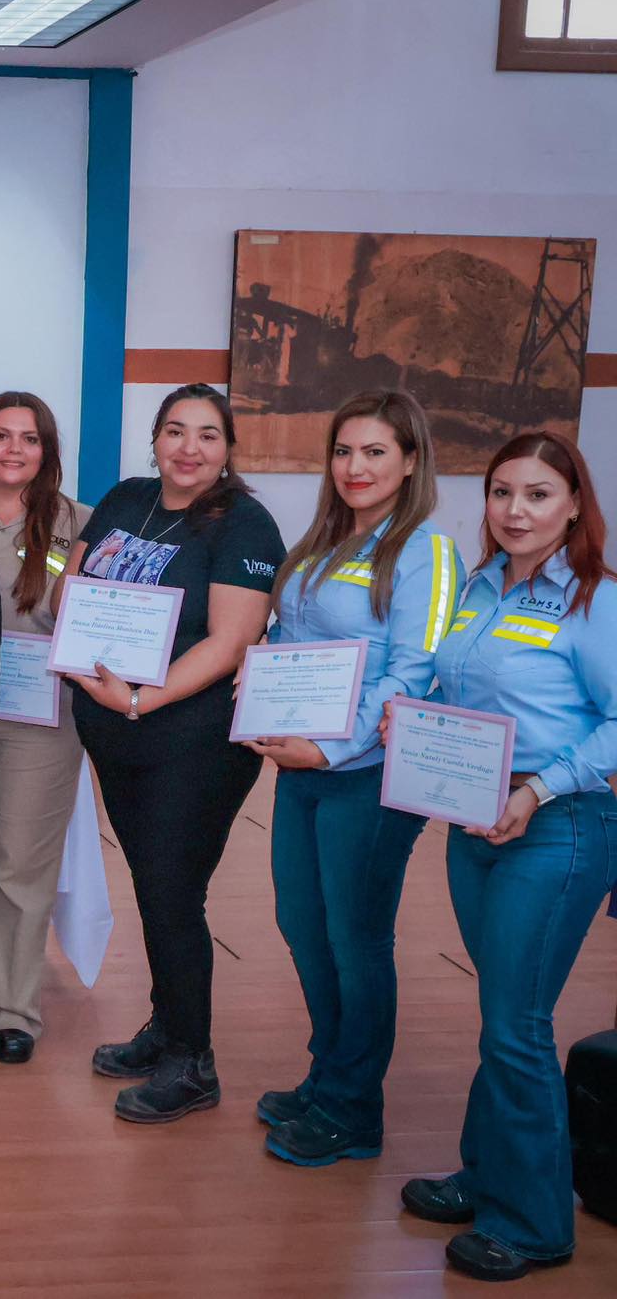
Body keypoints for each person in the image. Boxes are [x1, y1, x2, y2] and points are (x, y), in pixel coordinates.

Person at [397, 432, 617, 1283]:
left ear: (574, 504)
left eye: (537, 495)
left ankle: (533, 1222)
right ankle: (489, 1172)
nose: (515, 511)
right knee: (502, 1011)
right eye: (501, 493)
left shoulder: (594, 601)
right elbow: (456, 686)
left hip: (557, 826)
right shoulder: (480, 587)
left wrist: (537, 791)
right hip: (474, 820)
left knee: (518, 1023)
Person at [63, 383, 284, 1123]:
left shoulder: (245, 524)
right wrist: (82, 636)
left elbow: (230, 642)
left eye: (208, 434)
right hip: (118, 734)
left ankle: (193, 1062)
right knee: (154, 887)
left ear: (228, 448)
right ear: (154, 439)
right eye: (175, 431)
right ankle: (166, 1027)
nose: (190, 448)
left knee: (173, 891)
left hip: (194, 742)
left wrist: (137, 699)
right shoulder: (126, 499)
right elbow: (74, 588)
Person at [249, 390, 458, 1166]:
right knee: (302, 925)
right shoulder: (324, 542)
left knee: (355, 937)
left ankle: (352, 1108)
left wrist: (331, 752)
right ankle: (328, 1072)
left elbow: (415, 674)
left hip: (366, 776)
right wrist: (259, 685)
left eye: (374, 452)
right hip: (301, 767)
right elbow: (292, 640)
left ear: (410, 461)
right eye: (343, 451)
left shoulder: (426, 553)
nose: (355, 466)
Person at [0, 392, 92, 1065]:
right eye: (1, 436)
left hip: (41, 718)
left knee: (19, 864)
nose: (13, 449)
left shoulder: (80, 524)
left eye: (29, 439)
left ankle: (12, 1009)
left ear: (46, 450)